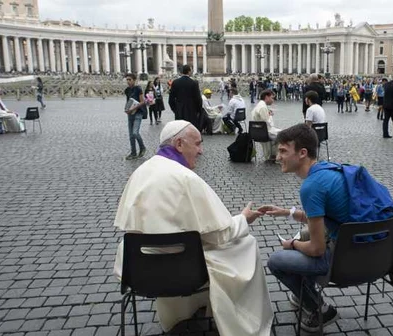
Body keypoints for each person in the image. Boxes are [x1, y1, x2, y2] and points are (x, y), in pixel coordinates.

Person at [112, 120, 273, 336]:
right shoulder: (186, 178)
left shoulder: (140, 172)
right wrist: (244, 219)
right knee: (247, 243)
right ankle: (244, 320)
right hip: (186, 272)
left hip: (140, 271)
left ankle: (184, 312)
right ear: (179, 144)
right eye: (197, 144)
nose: (201, 150)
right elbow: (220, 234)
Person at [258, 124, 350, 331]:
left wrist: (293, 244)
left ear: (302, 153)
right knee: (306, 234)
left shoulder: (311, 186)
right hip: (375, 254)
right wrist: (286, 212)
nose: (277, 157)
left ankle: (319, 308)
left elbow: (316, 249)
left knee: (276, 261)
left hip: (346, 262)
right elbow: (322, 218)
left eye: (283, 151)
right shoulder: (331, 170)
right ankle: (304, 293)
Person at [251, 89, 281, 162]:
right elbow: (268, 123)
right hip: (263, 132)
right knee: (283, 134)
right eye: (272, 98)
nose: (273, 100)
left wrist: (268, 114)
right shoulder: (263, 107)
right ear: (266, 97)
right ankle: (276, 155)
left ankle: (273, 154)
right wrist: (270, 115)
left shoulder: (260, 105)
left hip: (257, 130)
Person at [169, 64, 203, 129]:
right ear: (189, 71)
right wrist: (198, 110)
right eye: (191, 70)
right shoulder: (194, 83)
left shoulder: (175, 82)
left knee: (180, 130)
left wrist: (175, 110)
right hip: (191, 111)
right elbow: (198, 99)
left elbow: (171, 99)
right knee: (190, 130)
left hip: (179, 110)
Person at [123, 73, 147, 160]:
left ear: (134, 80)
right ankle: (133, 153)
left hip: (138, 113)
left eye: (130, 80)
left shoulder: (138, 89)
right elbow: (128, 101)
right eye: (127, 80)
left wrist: (134, 108)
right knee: (131, 135)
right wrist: (127, 109)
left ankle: (142, 147)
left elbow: (142, 101)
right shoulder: (127, 90)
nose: (128, 81)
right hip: (130, 114)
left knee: (135, 132)